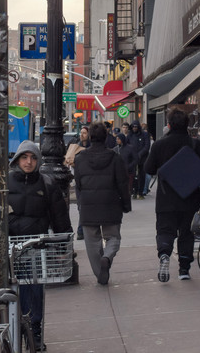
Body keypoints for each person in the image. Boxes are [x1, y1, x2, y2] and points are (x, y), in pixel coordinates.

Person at [8, 140, 72, 350]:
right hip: (10, 247)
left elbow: (59, 217)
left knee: (34, 290)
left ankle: (33, 330)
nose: (29, 162)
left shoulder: (47, 183)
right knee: (10, 291)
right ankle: (14, 328)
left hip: (36, 247)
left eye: (33, 158)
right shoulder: (4, 182)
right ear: (17, 159)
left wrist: (64, 247)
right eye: (25, 157)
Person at [144, 106, 200, 282]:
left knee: (165, 230)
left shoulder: (159, 145)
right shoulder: (197, 145)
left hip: (166, 198)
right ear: (187, 125)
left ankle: (164, 254)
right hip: (191, 197)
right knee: (187, 233)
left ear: (169, 124)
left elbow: (149, 168)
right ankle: (184, 268)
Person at [74, 121, 132, 286]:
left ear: (90, 137)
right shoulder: (115, 157)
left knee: (91, 241)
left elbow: (78, 184)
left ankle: (100, 273)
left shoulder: (80, 159)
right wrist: (126, 205)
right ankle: (107, 257)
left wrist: (81, 201)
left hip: (88, 205)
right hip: (110, 203)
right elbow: (123, 184)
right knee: (113, 237)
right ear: (106, 137)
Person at [64, 126, 91, 240]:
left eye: (84, 133)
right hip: (79, 179)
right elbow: (69, 160)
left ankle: (84, 230)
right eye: (81, 133)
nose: (82, 135)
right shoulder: (76, 146)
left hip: (90, 180)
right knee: (81, 206)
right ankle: (81, 231)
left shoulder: (91, 147)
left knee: (87, 206)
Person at [126, 120, 151, 198]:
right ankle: (134, 191)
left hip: (142, 158)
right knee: (132, 175)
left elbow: (147, 146)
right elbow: (127, 145)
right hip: (132, 158)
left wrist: (140, 154)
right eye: (133, 127)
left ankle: (140, 192)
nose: (134, 128)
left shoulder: (144, 134)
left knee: (142, 175)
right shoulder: (130, 135)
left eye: (136, 127)